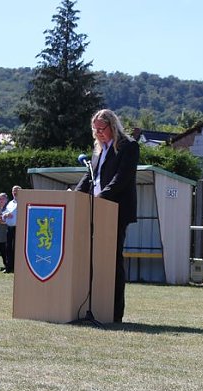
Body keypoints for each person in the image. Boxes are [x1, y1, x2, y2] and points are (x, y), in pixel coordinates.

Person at [74, 108, 140, 323]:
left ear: (113, 126)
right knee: (92, 259)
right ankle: (92, 306)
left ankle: (114, 313)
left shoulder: (128, 146)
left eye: (102, 129)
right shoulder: (98, 150)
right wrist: (74, 197)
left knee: (112, 260)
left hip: (115, 211)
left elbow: (121, 179)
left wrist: (100, 198)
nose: (98, 133)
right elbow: (89, 177)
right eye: (95, 129)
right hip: (94, 210)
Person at [0, 185, 19, 273]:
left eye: (17, 190)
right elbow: (4, 214)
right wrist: (6, 215)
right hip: (9, 227)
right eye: (13, 191)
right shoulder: (10, 203)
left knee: (16, 248)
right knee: (8, 248)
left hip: (18, 228)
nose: (15, 192)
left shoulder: (23, 202)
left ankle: (16, 267)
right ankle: (8, 267)